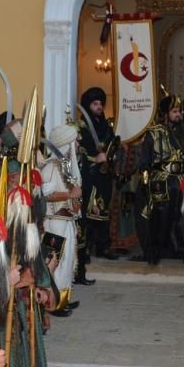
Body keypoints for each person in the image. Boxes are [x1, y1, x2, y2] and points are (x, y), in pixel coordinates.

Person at [137, 95, 184, 265]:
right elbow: (145, 161)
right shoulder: (154, 132)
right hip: (161, 181)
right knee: (160, 217)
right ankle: (155, 251)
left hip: (180, 182)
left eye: (179, 111)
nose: (178, 114)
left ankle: (180, 250)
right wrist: (145, 183)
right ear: (166, 113)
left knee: (181, 217)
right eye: (174, 111)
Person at [40, 123, 82, 313]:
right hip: (54, 223)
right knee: (55, 262)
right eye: (75, 141)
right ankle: (53, 304)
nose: (78, 144)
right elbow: (44, 194)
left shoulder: (66, 166)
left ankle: (62, 300)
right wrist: (69, 195)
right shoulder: (50, 166)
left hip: (66, 222)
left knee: (66, 263)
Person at [76, 87, 120, 270]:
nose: (99, 107)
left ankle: (102, 247)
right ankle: (84, 250)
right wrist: (95, 158)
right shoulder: (80, 126)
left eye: (101, 103)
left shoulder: (105, 126)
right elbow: (79, 152)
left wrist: (111, 157)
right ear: (88, 105)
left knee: (103, 212)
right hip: (89, 175)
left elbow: (111, 146)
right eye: (95, 104)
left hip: (104, 175)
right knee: (88, 213)